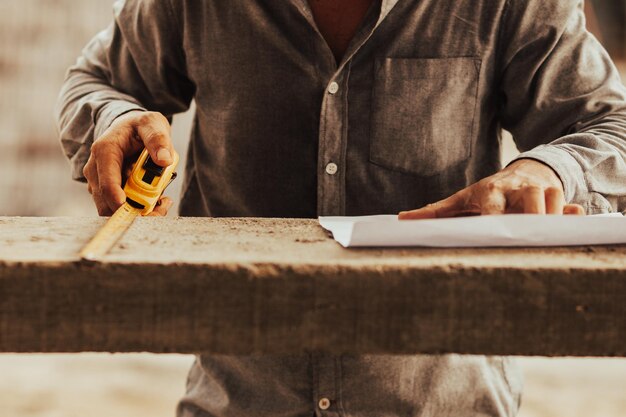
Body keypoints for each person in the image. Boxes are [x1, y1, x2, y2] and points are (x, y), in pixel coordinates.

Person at [56, 0, 626, 416]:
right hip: (239, 400)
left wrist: (546, 170)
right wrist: (112, 121)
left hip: (447, 403)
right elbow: (97, 82)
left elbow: (611, 123)